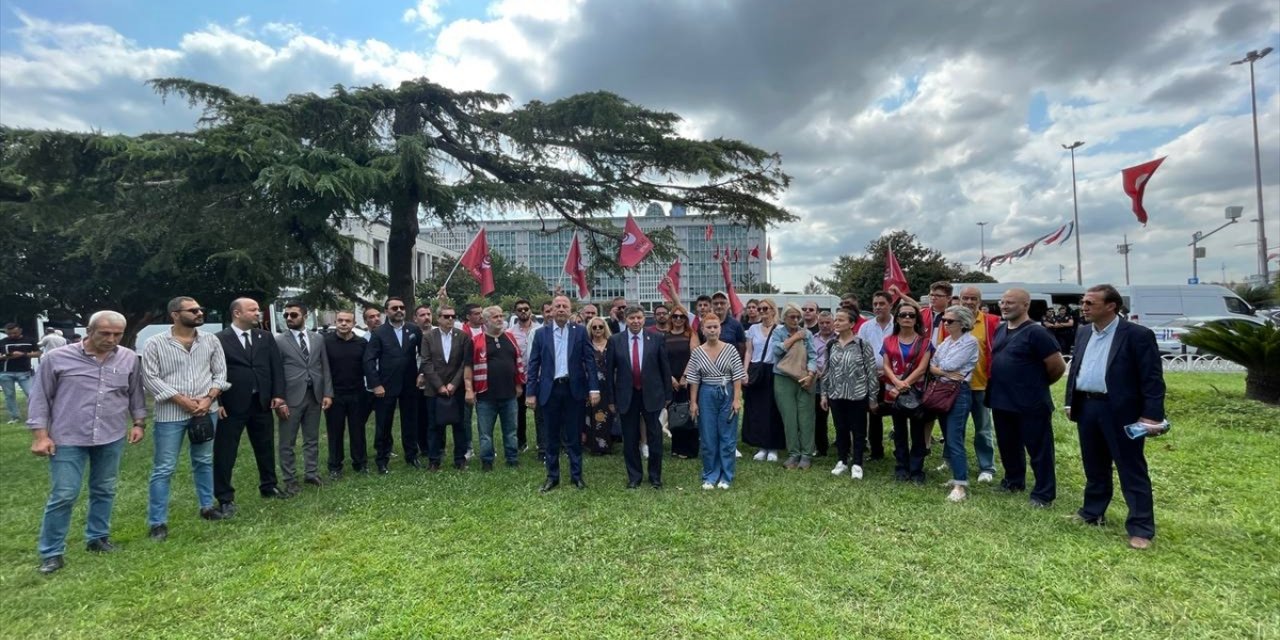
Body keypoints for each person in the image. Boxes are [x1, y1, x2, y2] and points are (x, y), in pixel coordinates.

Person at [28, 311, 146, 575]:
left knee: (104, 488)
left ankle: (98, 538)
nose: (112, 339)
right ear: (89, 331)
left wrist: (139, 423)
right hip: (68, 437)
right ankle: (52, 552)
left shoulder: (127, 358)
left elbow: (135, 393)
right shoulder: (57, 358)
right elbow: (40, 397)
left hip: (111, 434)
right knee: (64, 494)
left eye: (117, 334)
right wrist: (40, 435)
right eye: (105, 333)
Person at [1065, 284, 1166, 550]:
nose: (1084, 307)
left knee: (1131, 468)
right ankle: (1092, 512)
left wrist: (1151, 417)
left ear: (1111, 306)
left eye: (1090, 303)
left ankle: (1141, 528)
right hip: (1088, 407)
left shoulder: (1136, 335)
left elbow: (1152, 379)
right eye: (1083, 302)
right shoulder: (1085, 331)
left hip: (1121, 410)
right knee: (1094, 465)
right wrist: (1069, 402)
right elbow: (1076, 367)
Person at [143, 297, 232, 537]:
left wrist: (209, 398)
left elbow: (220, 373)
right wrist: (180, 399)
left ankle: (206, 506)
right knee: (164, 467)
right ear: (174, 314)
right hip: (170, 414)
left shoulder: (210, 340)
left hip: (205, 411)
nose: (199, 313)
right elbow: (151, 378)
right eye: (193, 310)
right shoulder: (155, 343)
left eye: (200, 309)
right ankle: (157, 522)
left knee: (203, 461)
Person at [989, 289, 1066, 507]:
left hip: (1030, 403)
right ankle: (1013, 481)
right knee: (1008, 445)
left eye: (1011, 302)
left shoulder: (1037, 332)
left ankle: (1043, 493)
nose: (1004, 306)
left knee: (1039, 450)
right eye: (1002, 302)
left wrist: (1035, 385)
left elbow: (1057, 366)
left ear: (1025, 305)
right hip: (1002, 400)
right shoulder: (1001, 329)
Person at [214, 298, 288, 513]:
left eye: (258, 309)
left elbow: (276, 368)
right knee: (226, 452)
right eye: (253, 310)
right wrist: (216, 402)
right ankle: (225, 497)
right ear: (237, 313)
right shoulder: (219, 339)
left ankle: (269, 485)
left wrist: (278, 394)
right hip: (231, 404)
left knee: (265, 447)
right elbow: (212, 372)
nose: (258, 313)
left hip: (261, 402)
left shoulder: (264, 337)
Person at [526, 295, 600, 492]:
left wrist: (594, 388)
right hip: (549, 391)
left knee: (574, 435)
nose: (560, 309)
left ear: (570, 310)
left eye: (564, 306)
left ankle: (577, 476)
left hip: (573, 390)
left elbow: (590, 362)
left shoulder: (580, 332)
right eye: (557, 306)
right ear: (551, 309)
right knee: (550, 436)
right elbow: (533, 365)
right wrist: (530, 392)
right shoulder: (541, 334)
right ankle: (552, 477)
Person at [606, 305, 673, 489]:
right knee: (630, 437)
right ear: (625, 320)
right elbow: (610, 371)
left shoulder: (657, 338)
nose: (636, 321)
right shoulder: (615, 341)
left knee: (655, 437)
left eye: (639, 318)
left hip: (652, 394)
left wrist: (668, 394)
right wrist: (611, 400)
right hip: (627, 396)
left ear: (644, 319)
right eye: (632, 318)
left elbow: (664, 369)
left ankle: (655, 476)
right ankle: (634, 476)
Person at [274, 302, 333, 494]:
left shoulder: (318, 339)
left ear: (305, 316)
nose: (289, 318)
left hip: (314, 394)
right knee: (287, 441)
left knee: (312, 438)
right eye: (286, 316)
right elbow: (276, 372)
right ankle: (290, 478)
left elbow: (324, 367)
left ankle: (311, 472)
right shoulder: (279, 340)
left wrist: (327, 393)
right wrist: (279, 399)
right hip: (290, 397)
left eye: (293, 315)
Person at [687, 313, 747, 489]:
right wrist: (693, 402)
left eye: (715, 327)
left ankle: (726, 476)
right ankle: (710, 475)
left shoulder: (730, 349)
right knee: (708, 436)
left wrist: (736, 399)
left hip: (727, 392)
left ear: (720, 329)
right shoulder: (697, 352)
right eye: (709, 327)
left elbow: (737, 376)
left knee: (727, 436)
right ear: (703, 330)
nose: (712, 330)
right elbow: (694, 379)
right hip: (706, 394)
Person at [363, 296, 423, 474]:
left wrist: (422, 373)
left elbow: (425, 354)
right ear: (386, 311)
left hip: (410, 385)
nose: (399, 311)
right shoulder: (379, 332)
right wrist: (375, 384)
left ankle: (412, 456)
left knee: (410, 422)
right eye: (394, 308)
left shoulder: (413, 329)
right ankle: (382, 459)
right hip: (386, 386)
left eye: (402, 307)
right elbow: (368, 360)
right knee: (384, 423)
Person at [820, 308, 880, 480]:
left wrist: (873, 397)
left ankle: (857, 463)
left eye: (841, 320)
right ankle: (842, 460)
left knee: (859, 430)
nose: (836, 323)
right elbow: (827, 371)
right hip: (836, 394)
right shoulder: (831, 345)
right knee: (841, 429)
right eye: (835, 320)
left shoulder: (862, 345)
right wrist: (824, 394)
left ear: (852, 324)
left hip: (857, 394)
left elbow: (871, 372)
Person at [928, 306, 980, 502]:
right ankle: (956, 476)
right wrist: (943, 372)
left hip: (958, 392)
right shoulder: (947, 341)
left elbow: (949, 364)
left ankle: (961, 484)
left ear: (963, 323)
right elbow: (933, 364)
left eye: (950, 321)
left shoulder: (970, 342)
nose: (945, 324)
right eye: (944, 320)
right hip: (943, 390)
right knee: (948, 437)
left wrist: (941, 370)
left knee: (954, 437)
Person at [465, 306, 525, 470]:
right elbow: (468, 367)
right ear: (485, 321)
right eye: (495, 317)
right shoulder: (476, 341)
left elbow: (517, 363)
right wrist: (469, 389)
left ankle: (512, 459)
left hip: (509, 394)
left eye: (501, 316)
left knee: (511, 430)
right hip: (485, 395)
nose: (500, 319)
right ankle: (487, 461)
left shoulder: (510, 338)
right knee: (485, 434)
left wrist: (519, 384)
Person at [882, 298, 934, 484]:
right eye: (903, 315)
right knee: (899, 432)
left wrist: (904, 384)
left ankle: (917, 470)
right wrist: (897, 383)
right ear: (896, 319)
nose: (907, 318)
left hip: (916, 394)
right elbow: (886, 366)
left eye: (911, 315)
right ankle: (901, 468)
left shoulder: (925, 342)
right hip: (895, 394)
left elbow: (922, 368)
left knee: (918, 433)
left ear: (916, 319)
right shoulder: (888, 341)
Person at [953, 286, 999, 483]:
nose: (969, 302)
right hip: (956, 387)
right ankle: (953, 463)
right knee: (955, 429)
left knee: (983, 429)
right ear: (960, 300)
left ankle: (987, 467)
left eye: (973, 298)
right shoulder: (952, 321)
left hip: (981, 385)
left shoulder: (991, 322)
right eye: (966, 298)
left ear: (980, 301)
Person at [420, 304, 472, 471]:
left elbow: (465, 363)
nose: (450, 319)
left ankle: (460, 459)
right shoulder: (428, 337)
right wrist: (439, 385)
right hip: (434, 390)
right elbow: (426, 362)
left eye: (452, 316)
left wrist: (454, 384)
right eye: (446, 316)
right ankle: (434, 460)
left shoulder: (463, 336)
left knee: (460, 425)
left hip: (457, 389)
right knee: (434, 426)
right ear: (438, 318)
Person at [323, 310, 370, 478]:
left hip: (357, 393)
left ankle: (360, 463)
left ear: (353, 323)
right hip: (334, 394)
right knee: (335, 431)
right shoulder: (326, 342)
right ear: (336, 322)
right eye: (340, 320)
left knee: (358, 430)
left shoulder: (362, 343)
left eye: (347, 321)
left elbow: (368, 367)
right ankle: (335, 466)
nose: (343, 324)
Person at [771, 303, 818, 470]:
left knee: (806, 418)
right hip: (783, 379)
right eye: (792, 317)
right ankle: (793, 454)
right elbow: (776, 352)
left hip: (804, 378)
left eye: (798, 317)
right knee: (789, 418)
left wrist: (811, 375)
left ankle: (806, 455)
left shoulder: (808, 334)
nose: (796, 320)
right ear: (784, 318)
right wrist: (795, 338)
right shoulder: (778, 332)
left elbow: (813, 356)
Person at [742, 298, 785, 461]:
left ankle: (773, 446)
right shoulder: (753, 328)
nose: (761, 311)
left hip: (774, 370)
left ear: (773, 310)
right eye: (759, 309)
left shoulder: (781, 329)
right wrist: (745, 371)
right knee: (757, 409)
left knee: (773, 409)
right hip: (756, 370)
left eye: (765, 308)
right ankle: (761, 445)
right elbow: (748, 351)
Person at [855, 291, 894, 461]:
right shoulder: (866, 327)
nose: (878, 307)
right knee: (873, 412)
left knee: (898, 413)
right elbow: (859, 351)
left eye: (882, 303)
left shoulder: (898, 325)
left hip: (895, 377)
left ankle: (901, 451)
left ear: (890, 305)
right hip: (871, 377)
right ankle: (876, 451)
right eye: (875, 304)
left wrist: (888, 371)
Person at [664, 305, 698, 459]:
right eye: (675, 316)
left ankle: (689, 449)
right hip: (671, 380)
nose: (678, 319)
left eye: (682, 316)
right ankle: (676, 448)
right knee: (675, 413)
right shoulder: (664, 336)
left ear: (686, 319)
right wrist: (670, 377)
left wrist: (685, 376)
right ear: (671, 318)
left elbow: (694, 356)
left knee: (689, 412)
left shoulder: (691, 334)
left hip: (688, 379)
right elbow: (662, 359)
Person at [507, 299, 541, 453]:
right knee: (519, 413)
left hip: (537, 378)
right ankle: (521, 443)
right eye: (519, 310)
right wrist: (516, 382)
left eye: (526, 309)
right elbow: (510, 359)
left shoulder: (540, 330)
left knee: (540, 414)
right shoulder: (509, 333)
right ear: (515, 312)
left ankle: (542, 442)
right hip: (519, 380)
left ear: (530, 311)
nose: (523, 312)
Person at [584, 316, 615, 455]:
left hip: (609, 385)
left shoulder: (612, 343)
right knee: (591, 416)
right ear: (590, 329)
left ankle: (607, 444)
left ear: (605, 328)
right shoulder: (587, 344)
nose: (597, 330)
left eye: (600, 327)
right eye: (594, 327)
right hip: (592, 385)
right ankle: (593, 445)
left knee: (607, 415)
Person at [2, 322, 41, 424]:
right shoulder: (3, 342)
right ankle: (15, 417)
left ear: (20, 330)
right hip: (6, 372)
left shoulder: (29, 341)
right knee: (9, 395)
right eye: (9, 334)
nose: (12, 336)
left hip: (24, 372)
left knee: (31, 394)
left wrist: (23, 354)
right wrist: (6, 356)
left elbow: (38, 353)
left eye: (14, 333)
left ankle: (35, 415)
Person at [811, 311, 836, 457]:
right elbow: (809, 356)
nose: (825, 326)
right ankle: (821, 448)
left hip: (836, 381)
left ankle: (843, 447)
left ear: (833, 323)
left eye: (828, 323)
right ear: (818, 323)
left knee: (840, 417)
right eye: (822, 323)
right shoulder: (812, 338)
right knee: (819, 416)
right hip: (817, 381)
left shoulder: (839, 338)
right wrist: (815, 370)